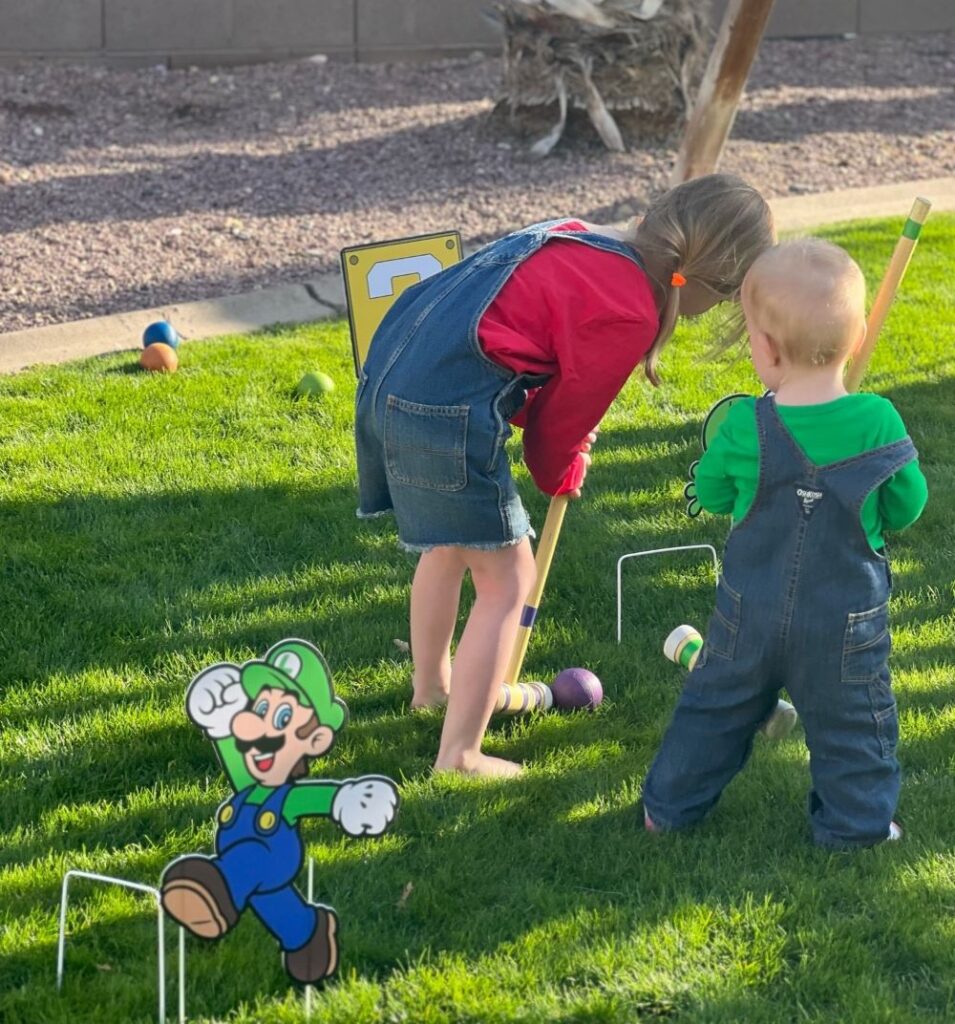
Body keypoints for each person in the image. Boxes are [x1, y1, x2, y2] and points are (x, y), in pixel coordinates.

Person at [355, 173, 775, 777]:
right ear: (711, 281)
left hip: (393, 376)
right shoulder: (630, 310)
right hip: (443, 407)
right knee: (509, 578)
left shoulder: (583, 236)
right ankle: (460, 754)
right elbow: (556, 430)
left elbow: (505, 340)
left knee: (450, 546)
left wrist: (540, 422)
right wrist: (563, 464)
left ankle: (432, 688)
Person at [642, 238, 928, 848]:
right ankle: (855, 826)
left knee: (714, 708)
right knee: (853, 723)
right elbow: (907, 506)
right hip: (843, 622)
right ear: (855, 344)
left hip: (749, 614)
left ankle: (667, 808)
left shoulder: (747, 424)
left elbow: (716, 495)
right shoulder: (878, 420)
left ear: (766, 350)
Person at [160, 639, 399, 983]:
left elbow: (318, 798)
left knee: (248, 866)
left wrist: (347, 799)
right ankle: (308, 935)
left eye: (282, 717)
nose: (257, 729)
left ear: (315, 741)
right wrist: (219, 717)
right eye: (260, 710)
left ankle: (216, 891)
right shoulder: (246, 780)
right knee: (274, 906)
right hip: (257, 868)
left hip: (272, 855)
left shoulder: (288, 798)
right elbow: (231, 746)